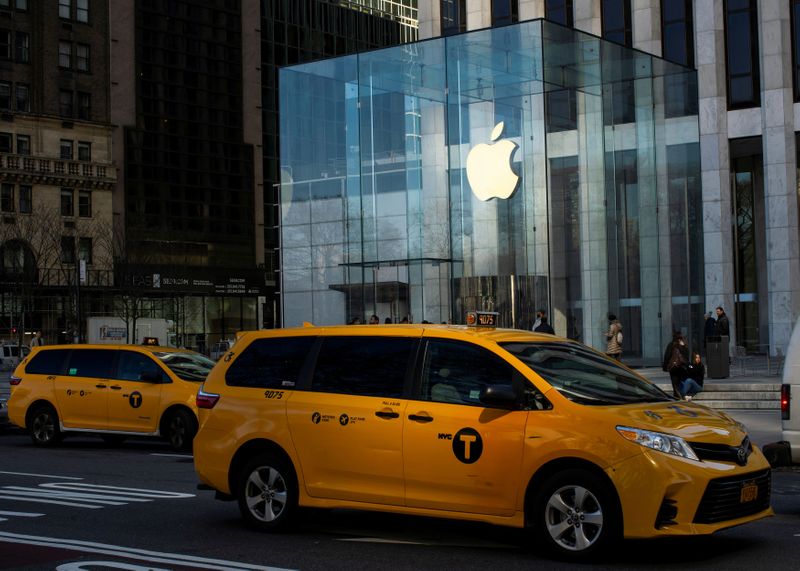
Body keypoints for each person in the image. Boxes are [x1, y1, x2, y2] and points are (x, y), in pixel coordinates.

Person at [663, 331, 690, 398]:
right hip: (682, 367)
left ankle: (677, 397)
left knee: (675, 384)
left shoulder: (671, 344)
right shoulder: (683, 344)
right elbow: (687, 356)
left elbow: (667, 356)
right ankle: (682, 396)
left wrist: (665, 367)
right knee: (681, 383)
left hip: (674, 367)